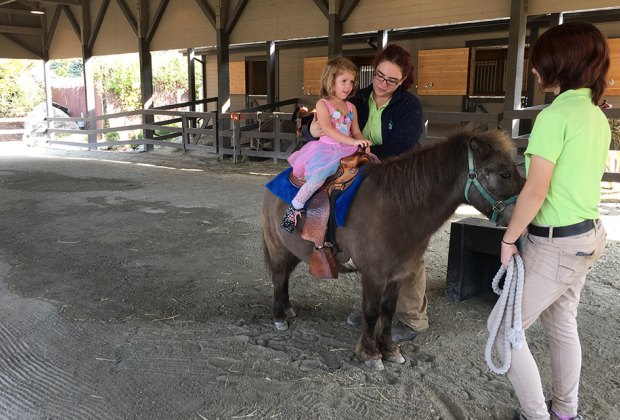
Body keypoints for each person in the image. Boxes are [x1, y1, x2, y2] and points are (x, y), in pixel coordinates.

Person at [488, 22, 610, 420]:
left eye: (539, 63)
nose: (535, 70)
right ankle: (565, 411)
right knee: (562, 325)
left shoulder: (555, 117)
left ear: (561, 63)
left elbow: (536, 191)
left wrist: (509, 239)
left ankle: (538, 415)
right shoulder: (594, 115)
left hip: (555, 244)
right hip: (586, 237)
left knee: (504, 330)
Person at [306, 44, 426, 342]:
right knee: (368, 240)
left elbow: (401, 149)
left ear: (403, 82)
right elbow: (326, 124)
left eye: (391, 80)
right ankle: (372, 306)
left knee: (405, 244)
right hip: (361, 170)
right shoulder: (356, 97)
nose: (382, 83)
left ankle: (412, 319)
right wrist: (314, 129)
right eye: (379, 76)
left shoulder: (409, 107)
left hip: (397, 176)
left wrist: (362, 151)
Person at [280, 57, 372, 232]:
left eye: (351, 81)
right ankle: (295, 207)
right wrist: (353, 141)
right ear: (331, 80)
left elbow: (356, 131)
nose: (349, 86)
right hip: (328, 149)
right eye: (344, 81)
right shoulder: (323, 104)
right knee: (319, 177)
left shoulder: (351, 107)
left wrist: (363, 141)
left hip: (349, 148)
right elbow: (328, 130)